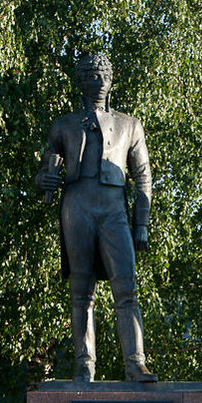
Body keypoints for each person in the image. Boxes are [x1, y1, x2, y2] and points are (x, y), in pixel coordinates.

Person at [35, 53, 156, 382]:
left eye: (104, 73)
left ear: (112, 78)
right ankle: (84, 365)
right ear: (80, 81)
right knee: (81, 290)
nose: (99, 81)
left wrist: (141, 224)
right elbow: (46, 169)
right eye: (91, 74)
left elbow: (143, 176)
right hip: (77, 206)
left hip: (113, 207)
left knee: (126, 287)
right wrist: (42, 181)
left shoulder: (130, 125)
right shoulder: (63, 125)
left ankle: (135, 363)